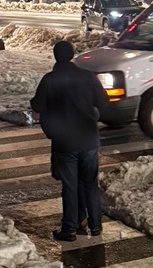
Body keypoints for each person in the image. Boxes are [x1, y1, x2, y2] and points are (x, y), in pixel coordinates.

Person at [31, 41, 109, 242]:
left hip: (65, 141)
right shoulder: (87, 77)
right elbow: (103, 102)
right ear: (73, 55)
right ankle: (96, 226)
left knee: (70, 186)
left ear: (55, 57)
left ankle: (69, 229)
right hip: (88, 139)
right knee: (90, 184)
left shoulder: (50, 80)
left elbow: (37, 105)